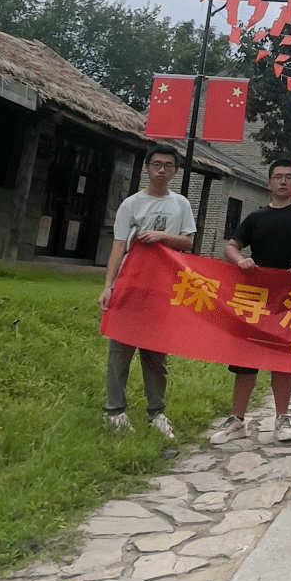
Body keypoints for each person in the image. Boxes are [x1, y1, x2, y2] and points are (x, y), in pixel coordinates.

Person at [215, 157, 291, 444]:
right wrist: (241, 261)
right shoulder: (256, 217)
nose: (282, 181)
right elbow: (231, 246)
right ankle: (236, 420)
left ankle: (282, 418)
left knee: (282, 358)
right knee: (245, 360)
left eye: (288, 177)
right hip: (254, 298)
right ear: (268, 182)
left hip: (289, 298)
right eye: (277, 177)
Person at [97, 144, 196, 438]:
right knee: (120, 351)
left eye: (167, 165)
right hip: (131, 284)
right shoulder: (131, 204)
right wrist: (107, 285)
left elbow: (188, 242)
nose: (161, 170)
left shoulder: (181, 205)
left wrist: (163, 237)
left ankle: (157, 413)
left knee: (156, 354)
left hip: (163, 287)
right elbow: (118, 245)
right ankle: (114, 411)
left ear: (175, 171)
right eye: (156, 164)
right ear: (148, 168)